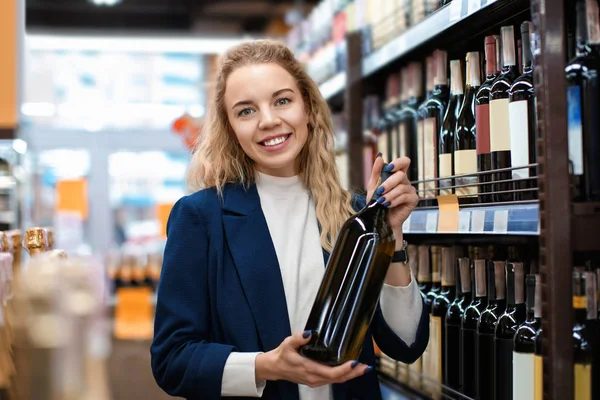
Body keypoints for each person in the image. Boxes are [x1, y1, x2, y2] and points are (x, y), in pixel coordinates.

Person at [150, 40, 429, 400]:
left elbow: (406, 343)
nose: (269, 121)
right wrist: (266, 365)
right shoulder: (201, 218)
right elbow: (172, 360)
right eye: (246, 111)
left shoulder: (355, 214)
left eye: (282, 101)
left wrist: (392, 238)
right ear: (231, 127)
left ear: (308, 110)